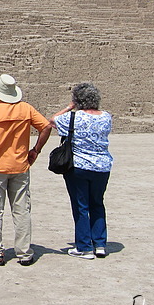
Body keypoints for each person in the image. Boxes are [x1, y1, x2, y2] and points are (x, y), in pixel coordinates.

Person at [0, 74, 51, 266]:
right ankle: (24, 253)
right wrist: (35, 150)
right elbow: (46, 127)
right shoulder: (26, 109)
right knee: (22, 210)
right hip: (20, 166)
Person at [50, 83, 114, 260]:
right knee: (97, 204)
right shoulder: (106, 117)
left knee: (81, 206)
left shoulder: (74, 118)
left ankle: (84, 247)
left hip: (78, 166)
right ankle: (100, 244)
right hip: (102, 167)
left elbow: (52, 120)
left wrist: (69, 107)